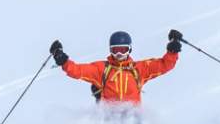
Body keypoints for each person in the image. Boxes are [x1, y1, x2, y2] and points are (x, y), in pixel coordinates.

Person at [49, 29, 182, 109]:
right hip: (110, 117)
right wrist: (63, 60)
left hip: (133, 116)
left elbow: (165, 65)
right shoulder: (102, 69)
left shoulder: (139, 69)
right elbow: (77, 70)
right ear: (110, 50)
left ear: (129, 49)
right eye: (115, 50)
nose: (119, 54)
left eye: (123, 50)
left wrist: (172, 51)